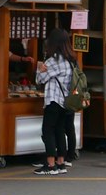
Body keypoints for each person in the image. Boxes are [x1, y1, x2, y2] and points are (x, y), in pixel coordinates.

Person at [32, 28, 75, 176]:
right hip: (65, 102)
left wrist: (39, 68)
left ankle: (50, 165)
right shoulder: (70, 60)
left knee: (48, 131)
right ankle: (61, 163)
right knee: (59, 131)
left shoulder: (53, 61)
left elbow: (40, 80)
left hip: (53, 100)